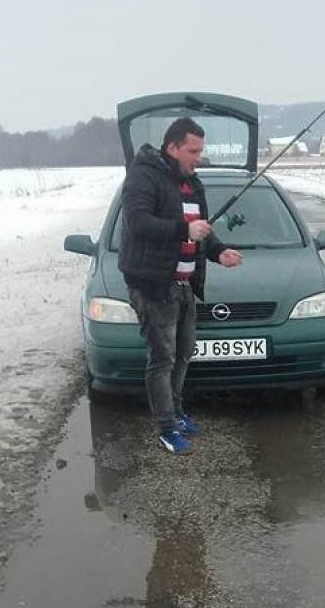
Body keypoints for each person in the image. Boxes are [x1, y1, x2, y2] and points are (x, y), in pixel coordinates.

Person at [119, 117, 243, 454]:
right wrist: (182, 231)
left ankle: (176, 411)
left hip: (186, 284)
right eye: (193, 150)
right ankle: (166, 428)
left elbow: (202, 228)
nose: (198, 157)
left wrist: (219, 252)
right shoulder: (143, 176)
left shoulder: (192, 183)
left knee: (184, 354)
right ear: (172, 147)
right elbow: (138, 223)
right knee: (162, 359)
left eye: (200, 150)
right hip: (154, 285)